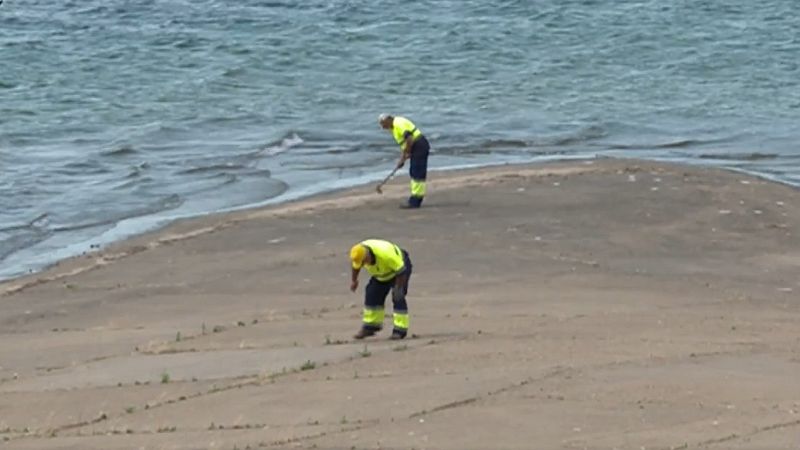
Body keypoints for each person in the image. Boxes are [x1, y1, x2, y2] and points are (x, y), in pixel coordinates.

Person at [349, 239, 412, 340]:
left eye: (365, 262)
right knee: (372, 293)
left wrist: (398, 287)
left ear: (368, 255)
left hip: (399, 272)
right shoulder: (358, 253)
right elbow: (356, 267)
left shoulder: (386, 254)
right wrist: (354, 281)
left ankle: (400, 330)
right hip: (381, 274)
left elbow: (401, 270)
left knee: (397, 296)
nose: (365, 264)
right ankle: (371, 326)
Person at [378, 114, 430, 208]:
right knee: (415, 172)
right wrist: (402, 158)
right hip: (416, 147)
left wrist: (408, 153)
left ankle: (415, 201)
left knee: (417, 173)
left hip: (419, 145)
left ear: (388, 120)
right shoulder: (394, 128)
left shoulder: (398, 123)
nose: (383, 127)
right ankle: (416, 199)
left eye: (383, 124)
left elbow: (410, 140)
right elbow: (404, 144)